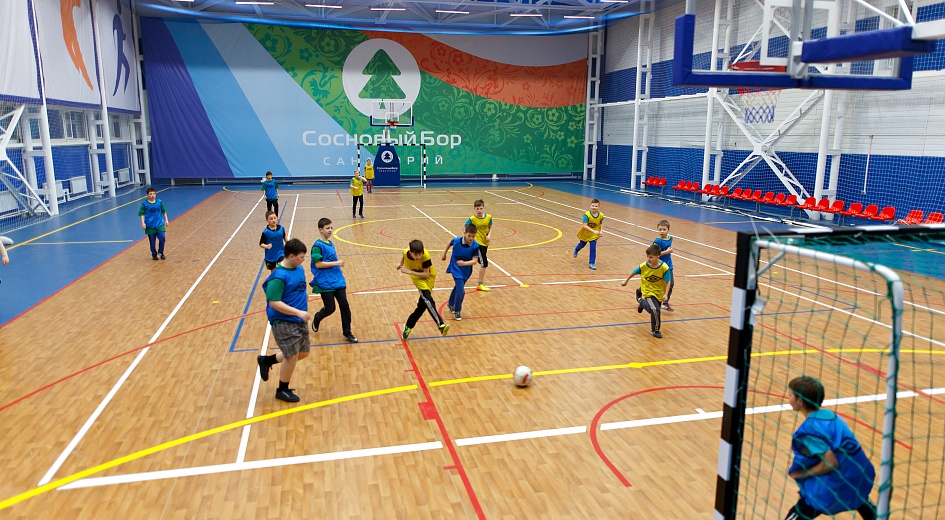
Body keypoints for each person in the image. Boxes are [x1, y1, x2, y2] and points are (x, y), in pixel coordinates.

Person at [785, 375, 877, 520]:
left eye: (790, 395)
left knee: (807, 505)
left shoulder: (808, 432)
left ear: (800, 401)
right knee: (858, 497)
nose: (788, 398)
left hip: (837, 484)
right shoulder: (832, 417)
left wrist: (803, 474)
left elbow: (831, 463)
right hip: (859, 475)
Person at [256, 238, 312, 403]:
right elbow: (274, 302)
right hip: (283, 320)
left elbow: (301, 287)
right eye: (301, 257)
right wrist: (298, 312)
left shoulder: (299, 268)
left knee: (303, 353)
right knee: (292, 356)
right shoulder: (278, 277)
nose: (303, 260)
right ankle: (282, 389)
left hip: (299, 318)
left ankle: (267, 360)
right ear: (291, 256)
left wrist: (305, 298)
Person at [309, 218, 357, 343]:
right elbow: (318, 264)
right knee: (330, 308)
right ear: (320, 230)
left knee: (345, 306)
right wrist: (336, 263)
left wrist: (339, 272)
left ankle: (347, 332)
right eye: (327, 228)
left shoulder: (331, 243)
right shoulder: (317, 246)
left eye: (331, 228)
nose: (330, 230)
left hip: (337, 280)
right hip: (325, 282)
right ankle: (317, 317)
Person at [398, 239, 449, 338]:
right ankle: (441, 325)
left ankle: (408, 326)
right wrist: (400, 264)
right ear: (410, 252)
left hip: (428, 277)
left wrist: (409, 271)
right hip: (418, 279)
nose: (418, 257)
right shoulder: (405, 252)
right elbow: (404, 257)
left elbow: (426, 274)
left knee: (421, 307)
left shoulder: (425, 256)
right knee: (428, 300)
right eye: (416, 255)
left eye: (420, 254)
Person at [621, 244, 670, 338]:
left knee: (655, 311)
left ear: (658, 256)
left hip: (659, 292)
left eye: (651, 257)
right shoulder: (644, 266)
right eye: (647, 257)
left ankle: (641, 302)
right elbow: (633, 272)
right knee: (655, 310)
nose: (648, 259)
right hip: (647, 291)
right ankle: (655, 330)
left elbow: (668, 281)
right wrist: (626, 281)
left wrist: (666, 294)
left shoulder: (664, 268)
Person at [441, 224, 481, 321]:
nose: (471, 238)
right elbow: (449, 244)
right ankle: (457, 310)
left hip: (466, 270)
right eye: (469, 236)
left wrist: (464, 263)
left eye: (473, 236)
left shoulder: (475, 246)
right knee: (461, 290)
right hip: (455, 267)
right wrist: (444, 254)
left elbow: (474, 261)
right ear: (465, 233)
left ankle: (450, 303)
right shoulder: (456, 240)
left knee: (458, 288)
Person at [465, 199, 493, 292]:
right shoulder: (472, 219)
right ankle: (480, 284)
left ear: (484, 208)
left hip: (485, 242)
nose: (479, 210)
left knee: (479, 260)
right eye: (477, 209)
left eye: (481, 208)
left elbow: (490, 226)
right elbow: (465, 226)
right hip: (477, 243)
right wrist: (468, 237)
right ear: (474, 209)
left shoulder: (488, 217)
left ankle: (467, 261)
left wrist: (489, 235)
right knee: (484, 263)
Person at [139, 187, 169, 260]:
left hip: (159, 224)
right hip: (150, 226)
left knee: (162, 238)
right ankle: (154, 254)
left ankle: (161, 252)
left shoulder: (159, 202)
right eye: (150, 194)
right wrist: (143, 223)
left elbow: (164, 211)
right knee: (152, 242)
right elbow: (141, 214)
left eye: (154, 194)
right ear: (147, 195)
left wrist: (166, 220)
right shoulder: (144, 204)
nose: (152, 195)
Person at [574, 199, 604, 270]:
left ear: (598, 207)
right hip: (586, 233)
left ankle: (591, 263)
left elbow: (601, 223)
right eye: (593, 206)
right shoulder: (587, 215)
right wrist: (593, 231)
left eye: (596, 206)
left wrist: (601, 231)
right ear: (590, 206)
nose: (594, 207)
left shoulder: (601, 215)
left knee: (593, 248)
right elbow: (584, 226)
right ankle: (576, 249)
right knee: (582, 245)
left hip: (593, 235)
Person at [653, 219, 676, 311]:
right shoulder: (657, 241)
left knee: (671, 283)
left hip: (668, 265)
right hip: (658, 266)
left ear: (668, 229)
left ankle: (665, 303)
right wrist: (667, 251)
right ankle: (640, 292)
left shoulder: (670, 238)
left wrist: (668, 251)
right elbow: (655, 254)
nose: (662, 231)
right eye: (660, 230)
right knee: (654, 283)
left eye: (664, 229)